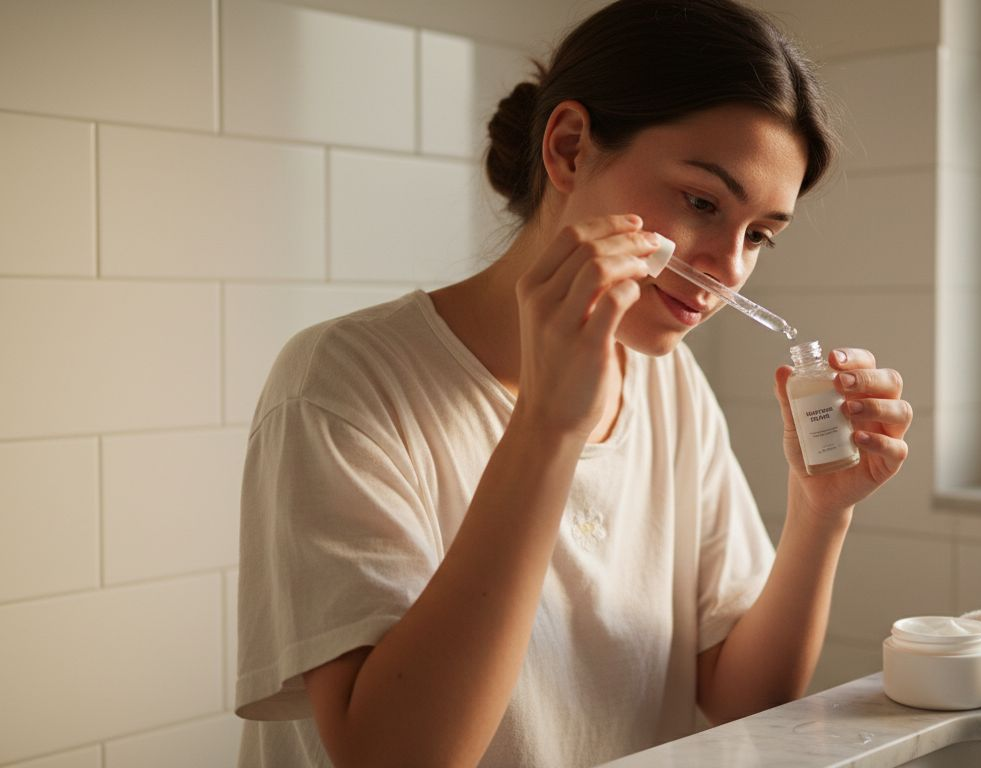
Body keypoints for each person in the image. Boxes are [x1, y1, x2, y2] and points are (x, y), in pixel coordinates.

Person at [233, 0, 913, 765]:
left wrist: (821, 516)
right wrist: (549, 428)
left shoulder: (669, 384)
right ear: (568, 148)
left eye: (758, 235)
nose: (727, 270)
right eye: (700, 202)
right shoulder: (342, 385)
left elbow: (741, 701)